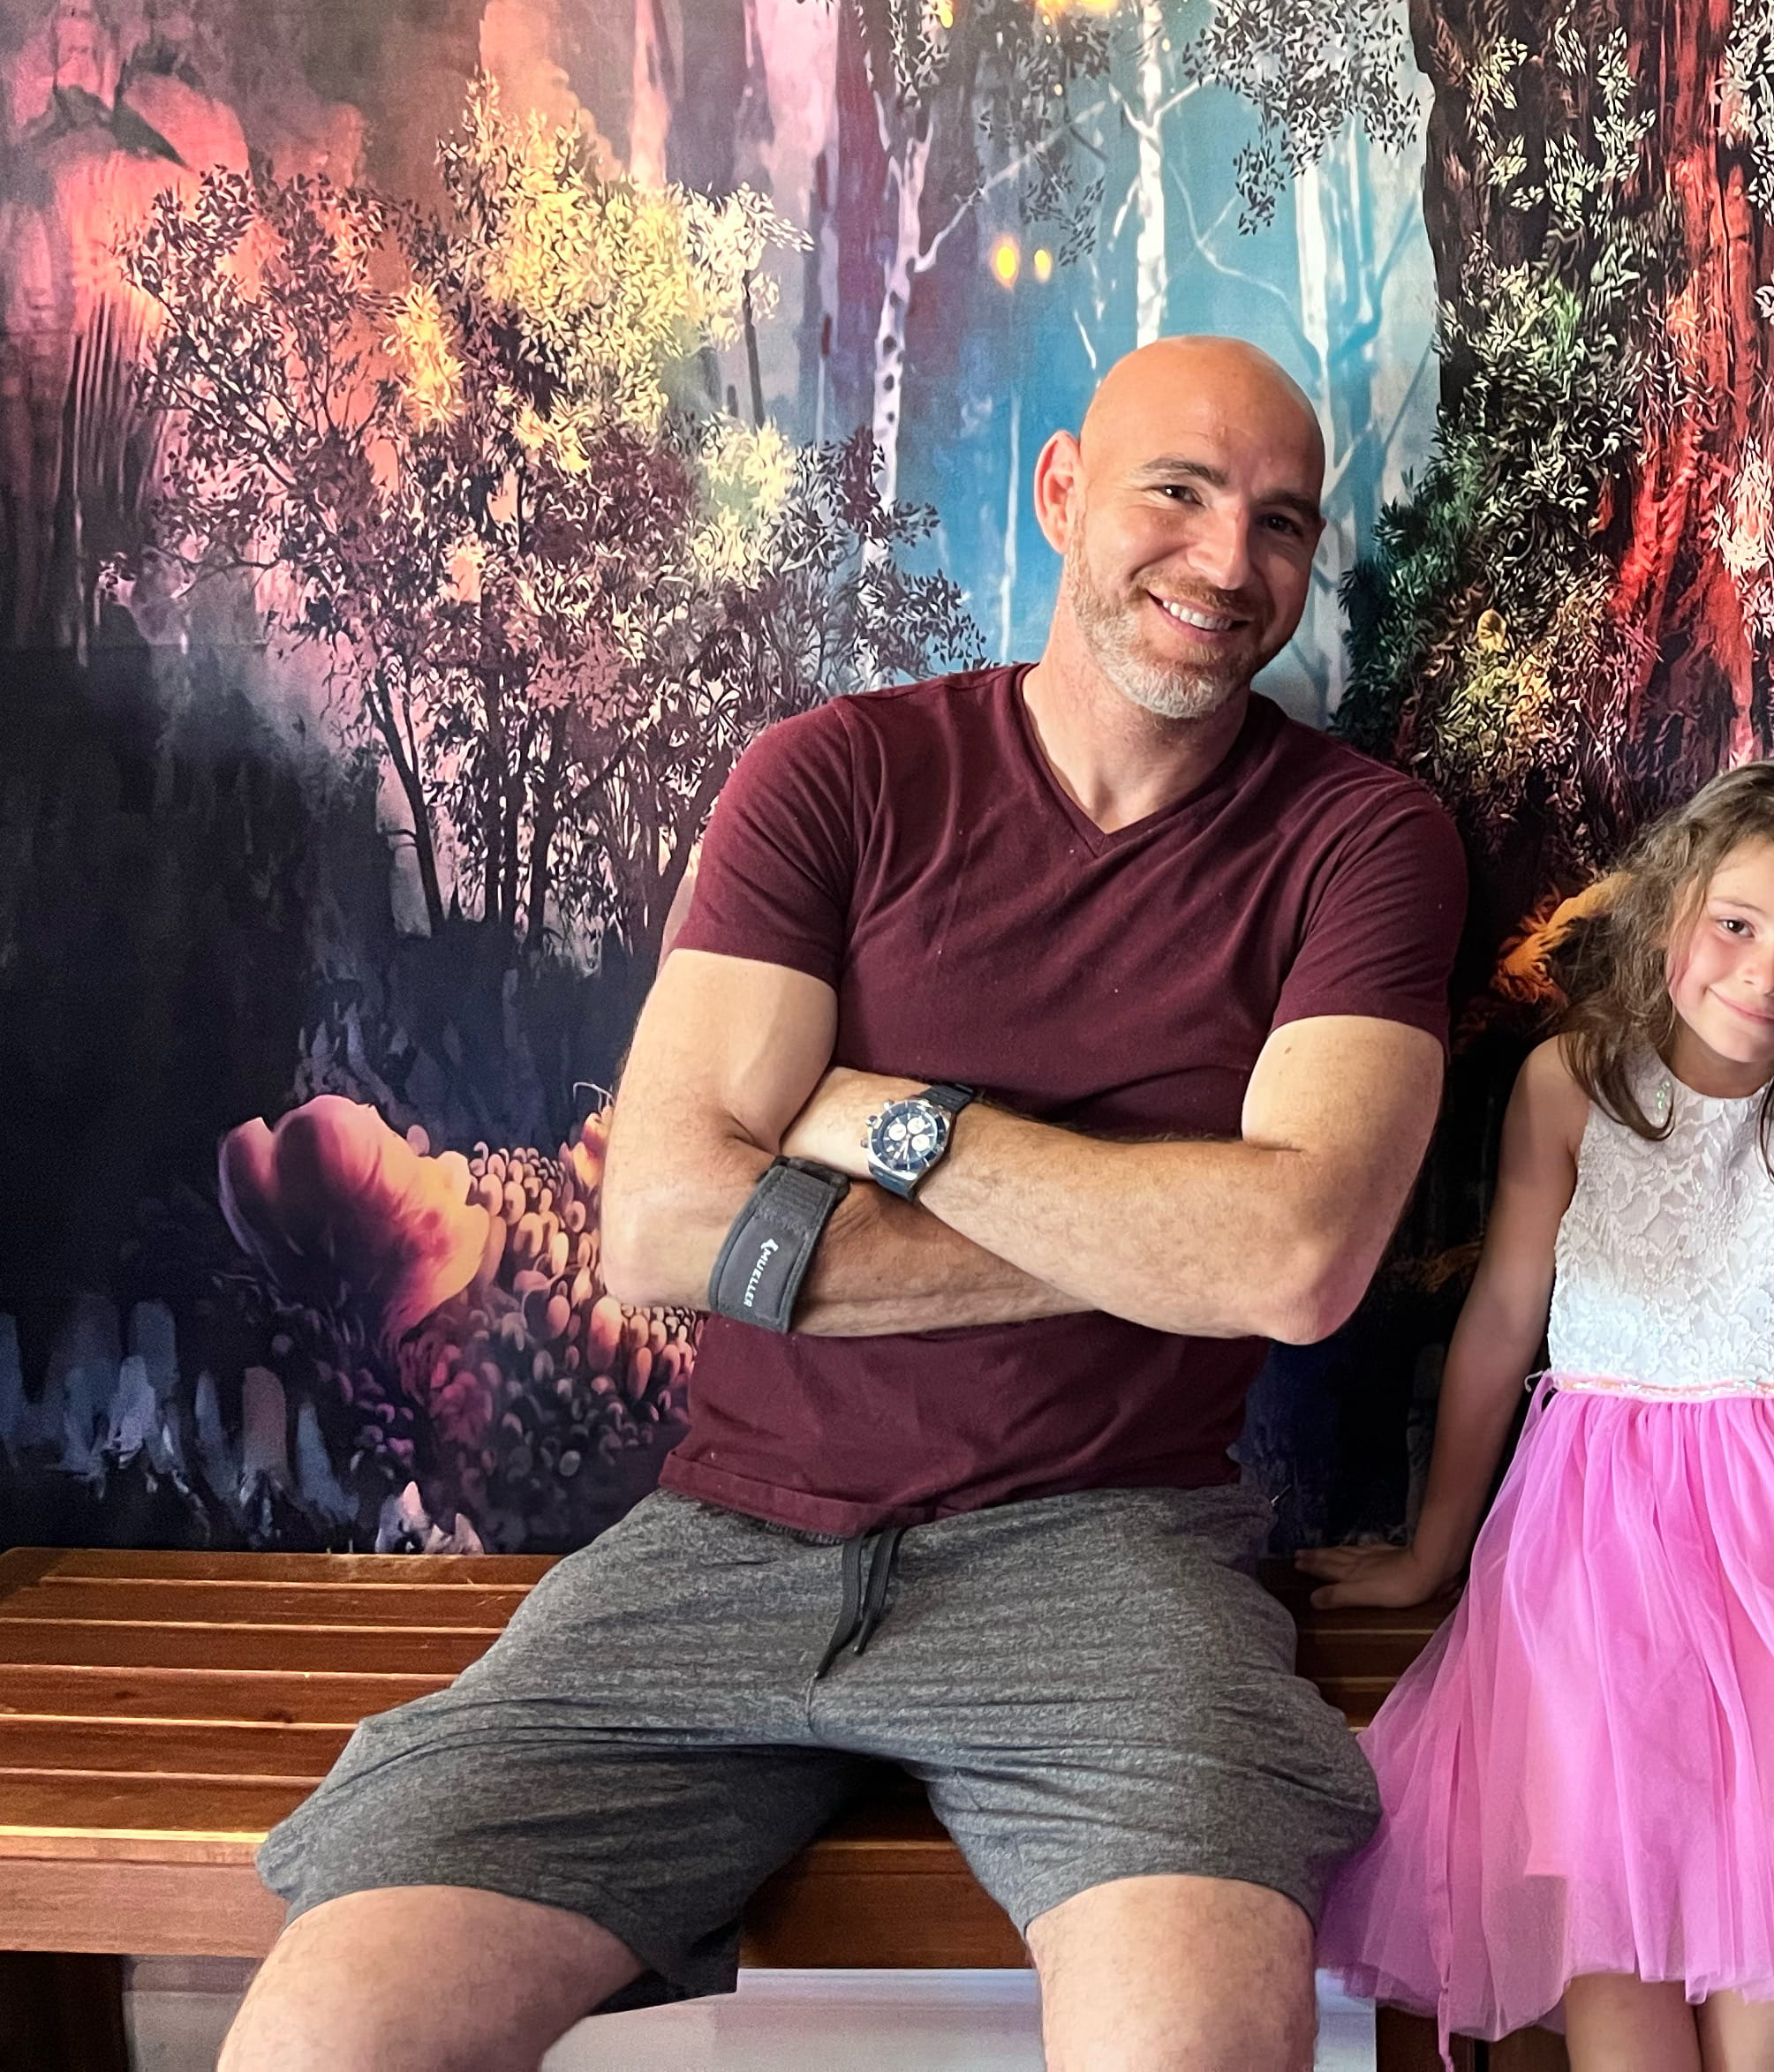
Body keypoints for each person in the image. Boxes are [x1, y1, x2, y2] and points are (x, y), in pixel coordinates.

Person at [226, 336, 1468, 2072]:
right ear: (1062, 493)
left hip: (1107, 1557)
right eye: (1177, 491)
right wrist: (1160, 1231)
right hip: (717, 1546)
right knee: (325, 2043)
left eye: (1278, 521)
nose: (1225, 558)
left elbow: (1297, 1259)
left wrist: (896, 1121)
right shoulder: (837, 775)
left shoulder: (1363, 842)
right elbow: (662, 1227)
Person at [1300, 760, 1774, 2072]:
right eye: (1735, 925)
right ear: (1675, 907)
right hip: (1594, 1552)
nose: (1764, 976)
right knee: (1602, 1863)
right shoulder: (1573, 1082)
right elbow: (1502, 1318)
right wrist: (1431, 1550)